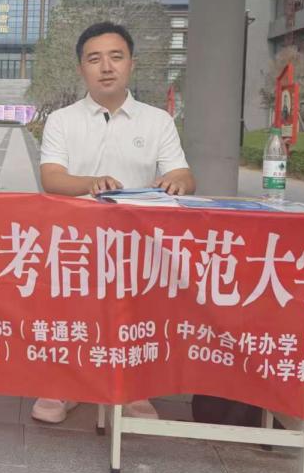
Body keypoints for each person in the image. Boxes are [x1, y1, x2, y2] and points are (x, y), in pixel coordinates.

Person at [32, 21, 195, 424]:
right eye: (95, 59)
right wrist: (91, 184)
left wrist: (178, 181)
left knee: (136, 315)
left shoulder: (157, 121)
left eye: (116, 57)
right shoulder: (62, 120)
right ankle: (64, 386)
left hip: (138, 243)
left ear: (131, 64)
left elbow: (182, 174)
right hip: (76, 240)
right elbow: (52, 178)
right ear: (81, 69)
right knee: (71, 315)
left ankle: (134, 391)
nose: (106, 67)